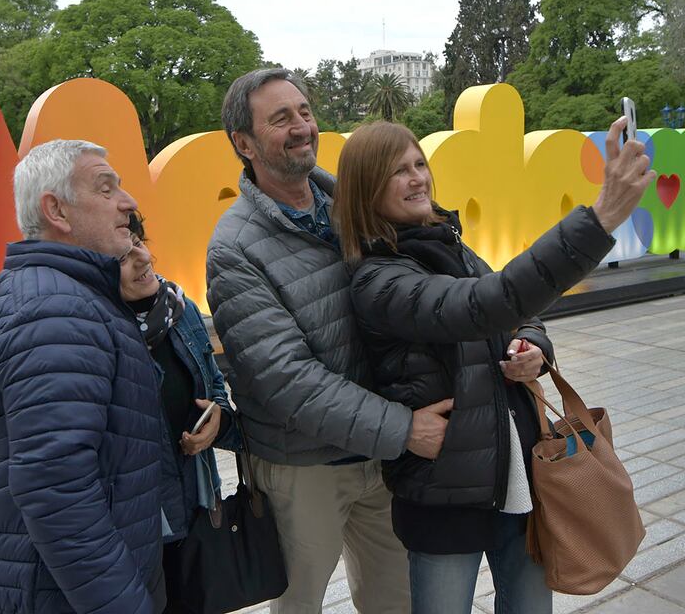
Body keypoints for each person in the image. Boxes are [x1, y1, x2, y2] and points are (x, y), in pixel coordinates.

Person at [332, 120, 654, 614]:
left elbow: (517, 313)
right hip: (444, 497)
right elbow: (484, 303)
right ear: (366, 188)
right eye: (398, 171)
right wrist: (600, 219)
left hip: (519, 477)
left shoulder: (447, 242)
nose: (417, 178)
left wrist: (533, 346)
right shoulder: (378, 279)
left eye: (419, 164)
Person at [207, 68, 453, 613]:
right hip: (304, 468)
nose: (302, 127)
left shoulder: (355, 204)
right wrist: (404, 428)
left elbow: (448, 275)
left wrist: (524, 333)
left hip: (384, 457)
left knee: (398, 601)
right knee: (298, 604)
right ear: (244, 143)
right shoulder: (234, 248)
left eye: (304, 112)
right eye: (281, 119)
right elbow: (286, 380)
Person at [0, 210, 241, 613]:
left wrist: (219, 420)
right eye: (123, 256)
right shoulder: (80, 330)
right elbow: (26, 418)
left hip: (193, 517)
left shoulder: (181, 311)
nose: (142, 258)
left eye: (139, 243)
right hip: (128, 534)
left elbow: (215, 390)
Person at [0, 139, 167, 613]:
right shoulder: (55, 308)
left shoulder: (63, 294)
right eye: (106, 189)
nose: (128, 202)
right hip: (56, 591)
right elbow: (58, 490)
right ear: (57, 211)